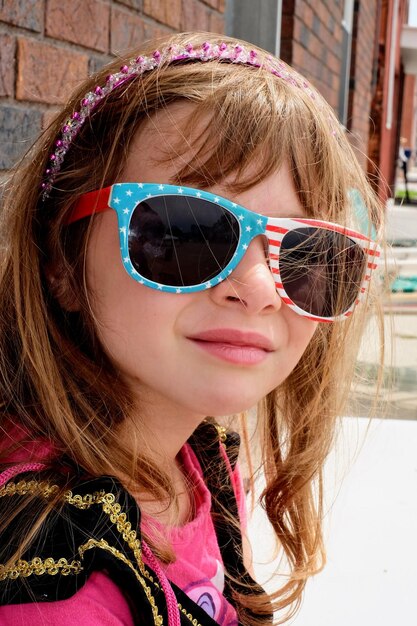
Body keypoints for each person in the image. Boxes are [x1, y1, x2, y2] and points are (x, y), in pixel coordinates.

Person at [0, 32, 383, 626]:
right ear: (62, 263)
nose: (257, 291)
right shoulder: (56, 587)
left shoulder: (202, 457)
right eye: (186, 231)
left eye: (307, 255)